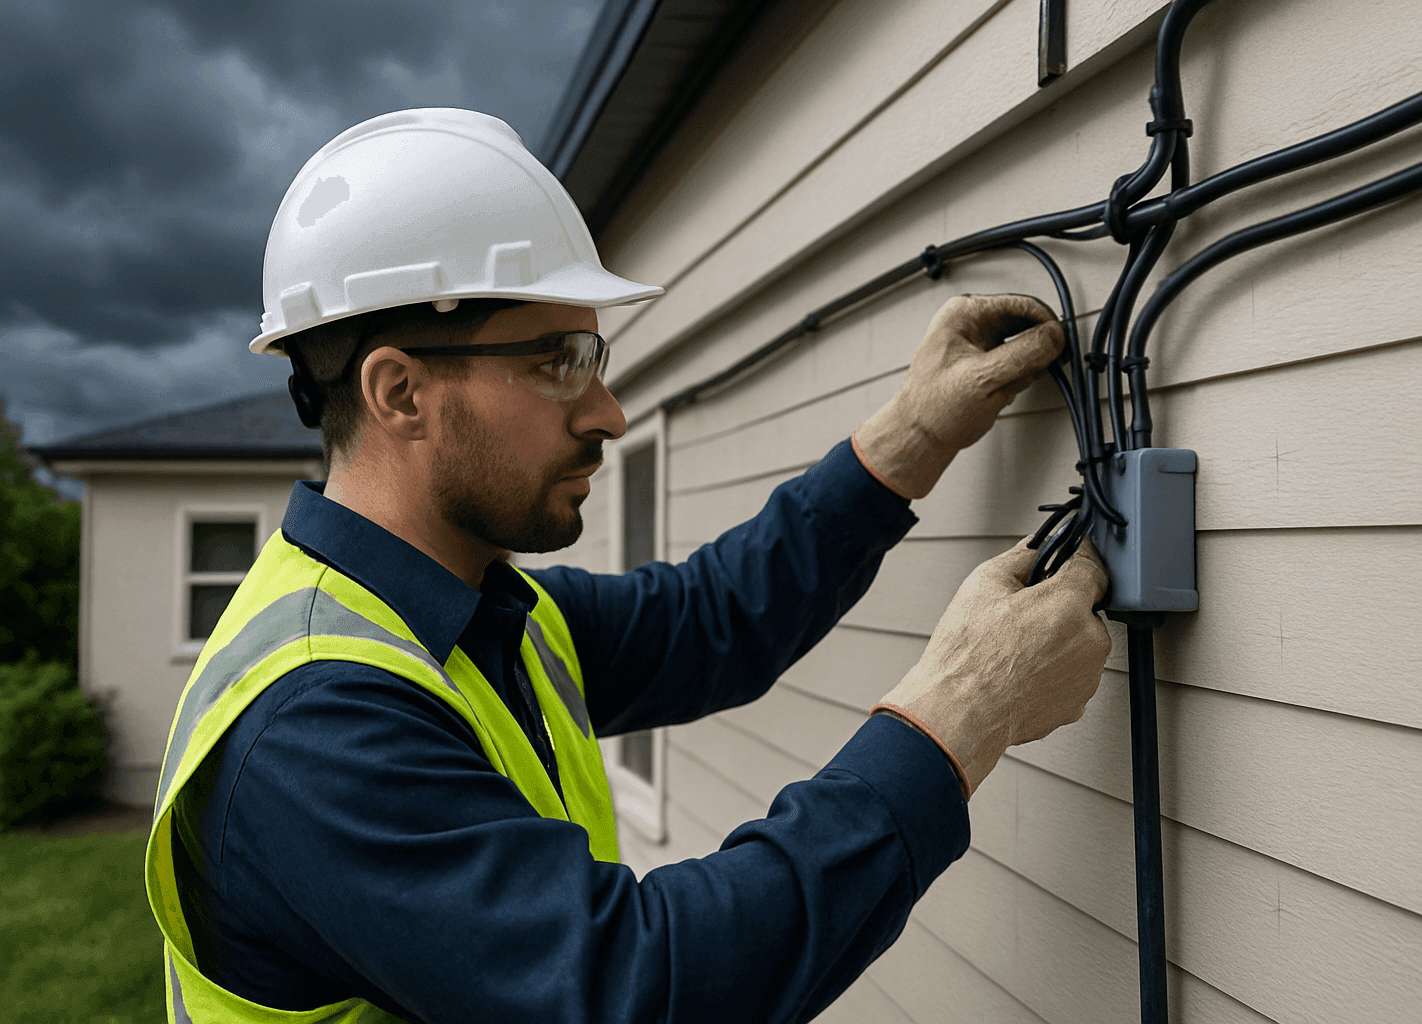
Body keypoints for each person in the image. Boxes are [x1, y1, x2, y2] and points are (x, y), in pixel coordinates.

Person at [146, 108, 1111, 1024]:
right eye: (558, 361)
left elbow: (712, 619)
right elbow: (634, 990)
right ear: (400, 392)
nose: (607, 413)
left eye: (594, 358)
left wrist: (910, 438)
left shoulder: (476, 616)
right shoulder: (316, 724)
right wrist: (965, 710)